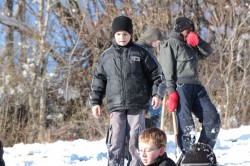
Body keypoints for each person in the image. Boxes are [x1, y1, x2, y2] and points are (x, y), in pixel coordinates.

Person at [89, 15, 165, 166]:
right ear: (114, 35)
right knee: (115, 138)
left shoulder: (141, 53)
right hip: (116, 105)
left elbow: (156, 75)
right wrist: (96, 102)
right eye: (118, 34)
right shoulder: (107, 56)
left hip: (137, 104)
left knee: (135, 138)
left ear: (131, 34)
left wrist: (157, 94)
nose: (121, 37)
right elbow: (98, 80)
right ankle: (115, 164)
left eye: (125, 34)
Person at [159, 16, 221, 154]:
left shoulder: (190, 45)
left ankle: (201, 153)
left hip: (197, 87)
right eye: (188, 29)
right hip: (181, 87)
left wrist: (198, 40)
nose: (190, 31)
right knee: (187, 127)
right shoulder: (170, 44)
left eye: (192, 29)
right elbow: (167, 71)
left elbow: (207, 52)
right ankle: (188, 156)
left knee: (213, 119)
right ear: (180, 29)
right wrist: (172, 92)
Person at [137, 28, 166, 128]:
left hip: (144, 91)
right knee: (157, 111)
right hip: (144, 92)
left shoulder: (139, 48)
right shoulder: (144, 51)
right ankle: (153, 133)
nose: (157, 44)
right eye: (157, 41)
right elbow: (158, 73)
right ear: (151, 39)